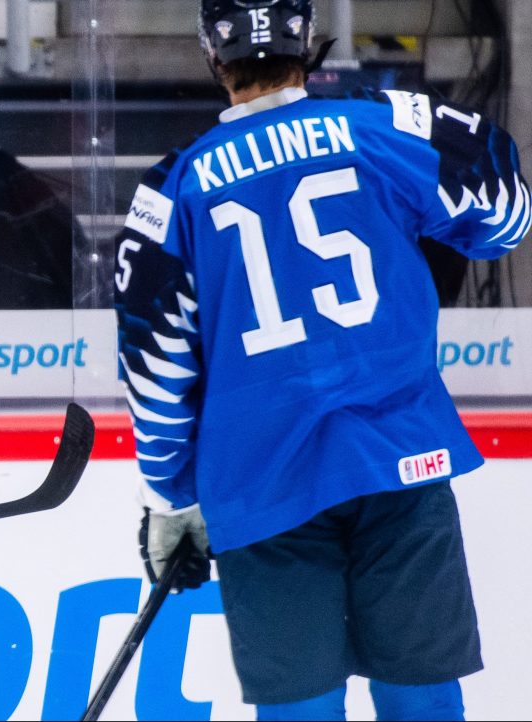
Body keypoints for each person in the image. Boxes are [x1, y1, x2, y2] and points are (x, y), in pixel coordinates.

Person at [115, 1, 527, 720]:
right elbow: (504, 216)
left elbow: (154, 364)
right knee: (422, 701)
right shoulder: (379, 128)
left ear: (215, 56)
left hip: (261, 486)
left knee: (299, 712)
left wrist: (170, 495)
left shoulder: (173, 187)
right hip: (400, 460)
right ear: (308, 41)